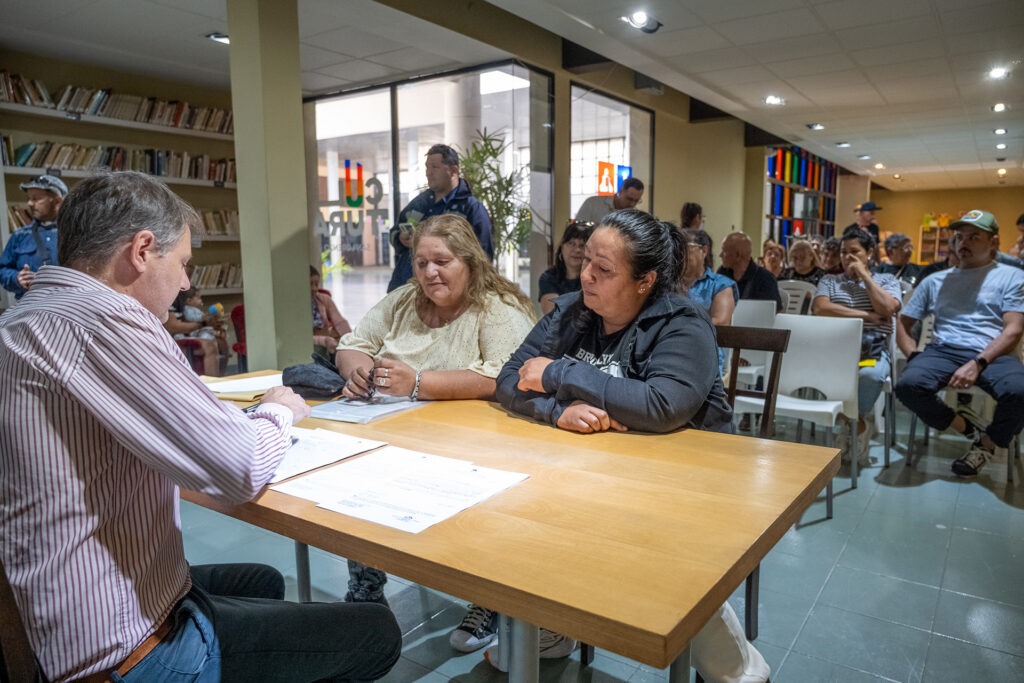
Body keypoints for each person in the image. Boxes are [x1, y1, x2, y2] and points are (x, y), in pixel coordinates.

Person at [0, 171, 402, 683]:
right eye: (183, 264)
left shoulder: (28, 316)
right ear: (142, 250)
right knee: (376, 631)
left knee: (261, 579)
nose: (186, 282)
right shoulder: (103, 322)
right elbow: (240, 468)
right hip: (118, 649)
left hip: (51, 608)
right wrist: (277, 410)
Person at [495, 209, 768, 682]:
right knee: (523, 511)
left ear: (645, 281)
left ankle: (738, 671)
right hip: (596, 472)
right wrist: (557, 412)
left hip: (686, 484)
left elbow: (662, 405)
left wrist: (559, 374)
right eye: (586, 264)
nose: (586, 276)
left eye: (604, 270)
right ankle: (558, 624)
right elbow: (508, 380)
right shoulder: (574, 310)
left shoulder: (683, 323)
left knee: (662, 555)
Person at [335, 212, 536, 652]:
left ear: (469, 262)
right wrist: (360, 372)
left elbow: (509, 377)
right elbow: (352, 343)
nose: (429, 272)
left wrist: (420, 383)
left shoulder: (495, 308)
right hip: (394, 432)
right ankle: (367, 590)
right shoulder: (403, 300)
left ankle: (489, 599)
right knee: (354, 479)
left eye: (442, 261)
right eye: (421, 262)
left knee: (479, 513)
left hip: (475, 445)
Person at [896, 209, 1024, 477]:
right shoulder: (935, 280)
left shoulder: (1012, 277)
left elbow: (1013, 330)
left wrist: (977, 363)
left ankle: (986, 445)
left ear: (994, 243)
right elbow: (903, 322)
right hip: (944, 350)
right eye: (959, 237)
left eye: (974, 237)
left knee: (1020, 392)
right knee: (908, 386)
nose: (963, 243)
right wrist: (913, 355)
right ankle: (966, 427)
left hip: (995, 353)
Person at [813, 228, 902, 464]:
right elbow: (821, 308)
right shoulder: (830, 280)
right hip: (835, 349)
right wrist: (867, 316)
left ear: (869, 253)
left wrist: (865, 276)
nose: (847, 258)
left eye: (854, 252)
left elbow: (888, 308)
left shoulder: (887, 280)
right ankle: (859, 424)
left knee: (871, 375)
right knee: (819, 375)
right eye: (843, 252)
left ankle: (851, 423)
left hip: (869, 350)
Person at [386, 143, 493, 292]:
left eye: (434, 167)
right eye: (427, 167)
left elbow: (482, 256)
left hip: (444, 295)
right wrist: (399, 238)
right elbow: (393, 233)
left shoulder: (471, 209)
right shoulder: (418, 203)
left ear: (453, 171)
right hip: (403, 288)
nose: (428, 173)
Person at [681, 227, 737, 374]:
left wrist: (676, 326)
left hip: (704, 354)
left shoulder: (720, 285)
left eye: (686, 247)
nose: (679, 253)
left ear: (703, 251)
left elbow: (720, 323)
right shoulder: (669, 284)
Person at [0, 174, 67, 299]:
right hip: (28, 310)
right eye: (29, 198)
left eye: (36, 199)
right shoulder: (19, 235)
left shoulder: (75, 234)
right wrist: (17, 278)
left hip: (67, 308)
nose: (30, 203)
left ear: (57, 201)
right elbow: (3, 269)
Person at [165, 286, 229, 376]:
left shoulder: (180, 303)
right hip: (175, 339)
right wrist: (204, 323)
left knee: (221, 341)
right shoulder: (166, 305)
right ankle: (212, 384)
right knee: (209, 345)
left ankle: (221, 378)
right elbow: (176, 327)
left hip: (188, 334)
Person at [538, 220, 593, 315]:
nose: (577, 250)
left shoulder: (595, 278)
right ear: (562, 247)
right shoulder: (549, 277)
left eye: (582, 245)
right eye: (571, 243)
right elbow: (552, 314)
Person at [718, 231, 783, 311]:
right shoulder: (722, 273)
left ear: (738, 255)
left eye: (724, 251)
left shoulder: (766, 279)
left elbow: (775, 312)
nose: (720, 255)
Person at [310, 265, 352, 354]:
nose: (314, 288)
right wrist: (324, 340)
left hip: (327, 347)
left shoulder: (324, 299)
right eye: (310, 284)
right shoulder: (295, 306)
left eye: (316, 284)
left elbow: (340, 322)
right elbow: (300, 338)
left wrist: (351, 341)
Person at [574, 176, 644, 224]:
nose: (632, 204)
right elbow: (578, 230)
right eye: (629, 199)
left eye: (636, 201)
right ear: (621, 191)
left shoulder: (634, 216)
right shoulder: (592, 204)